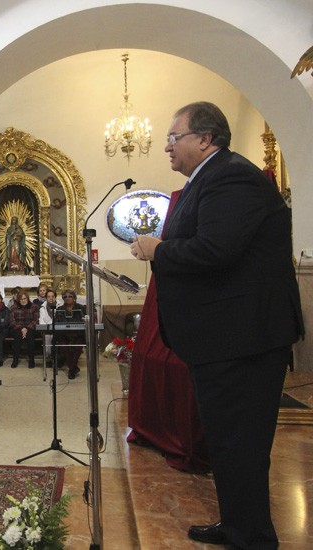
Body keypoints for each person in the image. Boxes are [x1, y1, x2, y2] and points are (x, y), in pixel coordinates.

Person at [129, 101, 303, 549]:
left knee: (241, 443)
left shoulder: (231, 177)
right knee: (227, 442)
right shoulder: (210, 178)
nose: (167, 146)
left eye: (174, 137)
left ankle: (253, 537)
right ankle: (239, 524)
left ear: (205, 139)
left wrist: (157, 250)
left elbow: (215, 250)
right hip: (225, 338)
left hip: (243, 338)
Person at [54, 289, 85, 379]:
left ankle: (71, 369)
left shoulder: (81, 308)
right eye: (65, 297)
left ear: (74, 298)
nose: (67, 298)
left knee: (78, 347)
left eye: (70, 296)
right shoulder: (60, 309)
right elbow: (57, 323)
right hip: (64, 334)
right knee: (64, 347)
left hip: (78, 334)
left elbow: (85, 322)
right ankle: (73, 368)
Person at [9, 291, 38, 369]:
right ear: (18, 300)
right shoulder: (13, 307)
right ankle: (15, 360)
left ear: (27, 299)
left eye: (25, 298)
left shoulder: (34, 306)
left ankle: (31, 360)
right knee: (17, 336)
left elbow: (36, 320)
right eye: (21, 299)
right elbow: (12, 321)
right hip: (17, 328)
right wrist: (21, 328)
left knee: (30, 337)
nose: (23, 300)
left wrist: (27, 328)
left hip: (30, 327)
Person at [38, 288, 58, 364]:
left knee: (54, 336)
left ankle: (56, 356)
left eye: (52, 296)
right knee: (47, 336)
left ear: (55, 297)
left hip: (57, 329)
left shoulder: (60, 306)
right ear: (46, 298)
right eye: (49, 296)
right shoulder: (42, 308)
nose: (51, 298)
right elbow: (41, 320)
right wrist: (46, 328)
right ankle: (48, 357)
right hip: (46, 329)